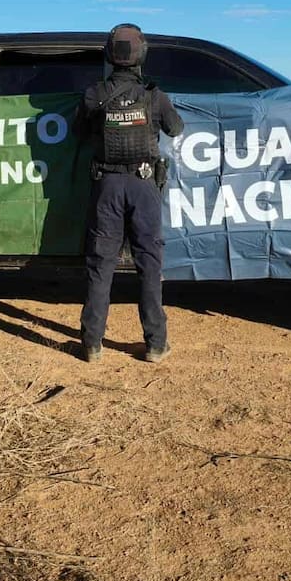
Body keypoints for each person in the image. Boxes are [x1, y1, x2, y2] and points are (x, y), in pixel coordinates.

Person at [75, 24, 184, 364]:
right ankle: (156, 344)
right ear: (142, 54)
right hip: (143, 183)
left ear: (109, 55)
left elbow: (78, 132)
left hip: (106, 185)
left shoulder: (94, 94)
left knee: (100, 264)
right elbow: (176, 128)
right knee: (149, 263)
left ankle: (92, 344)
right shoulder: (154, 95)